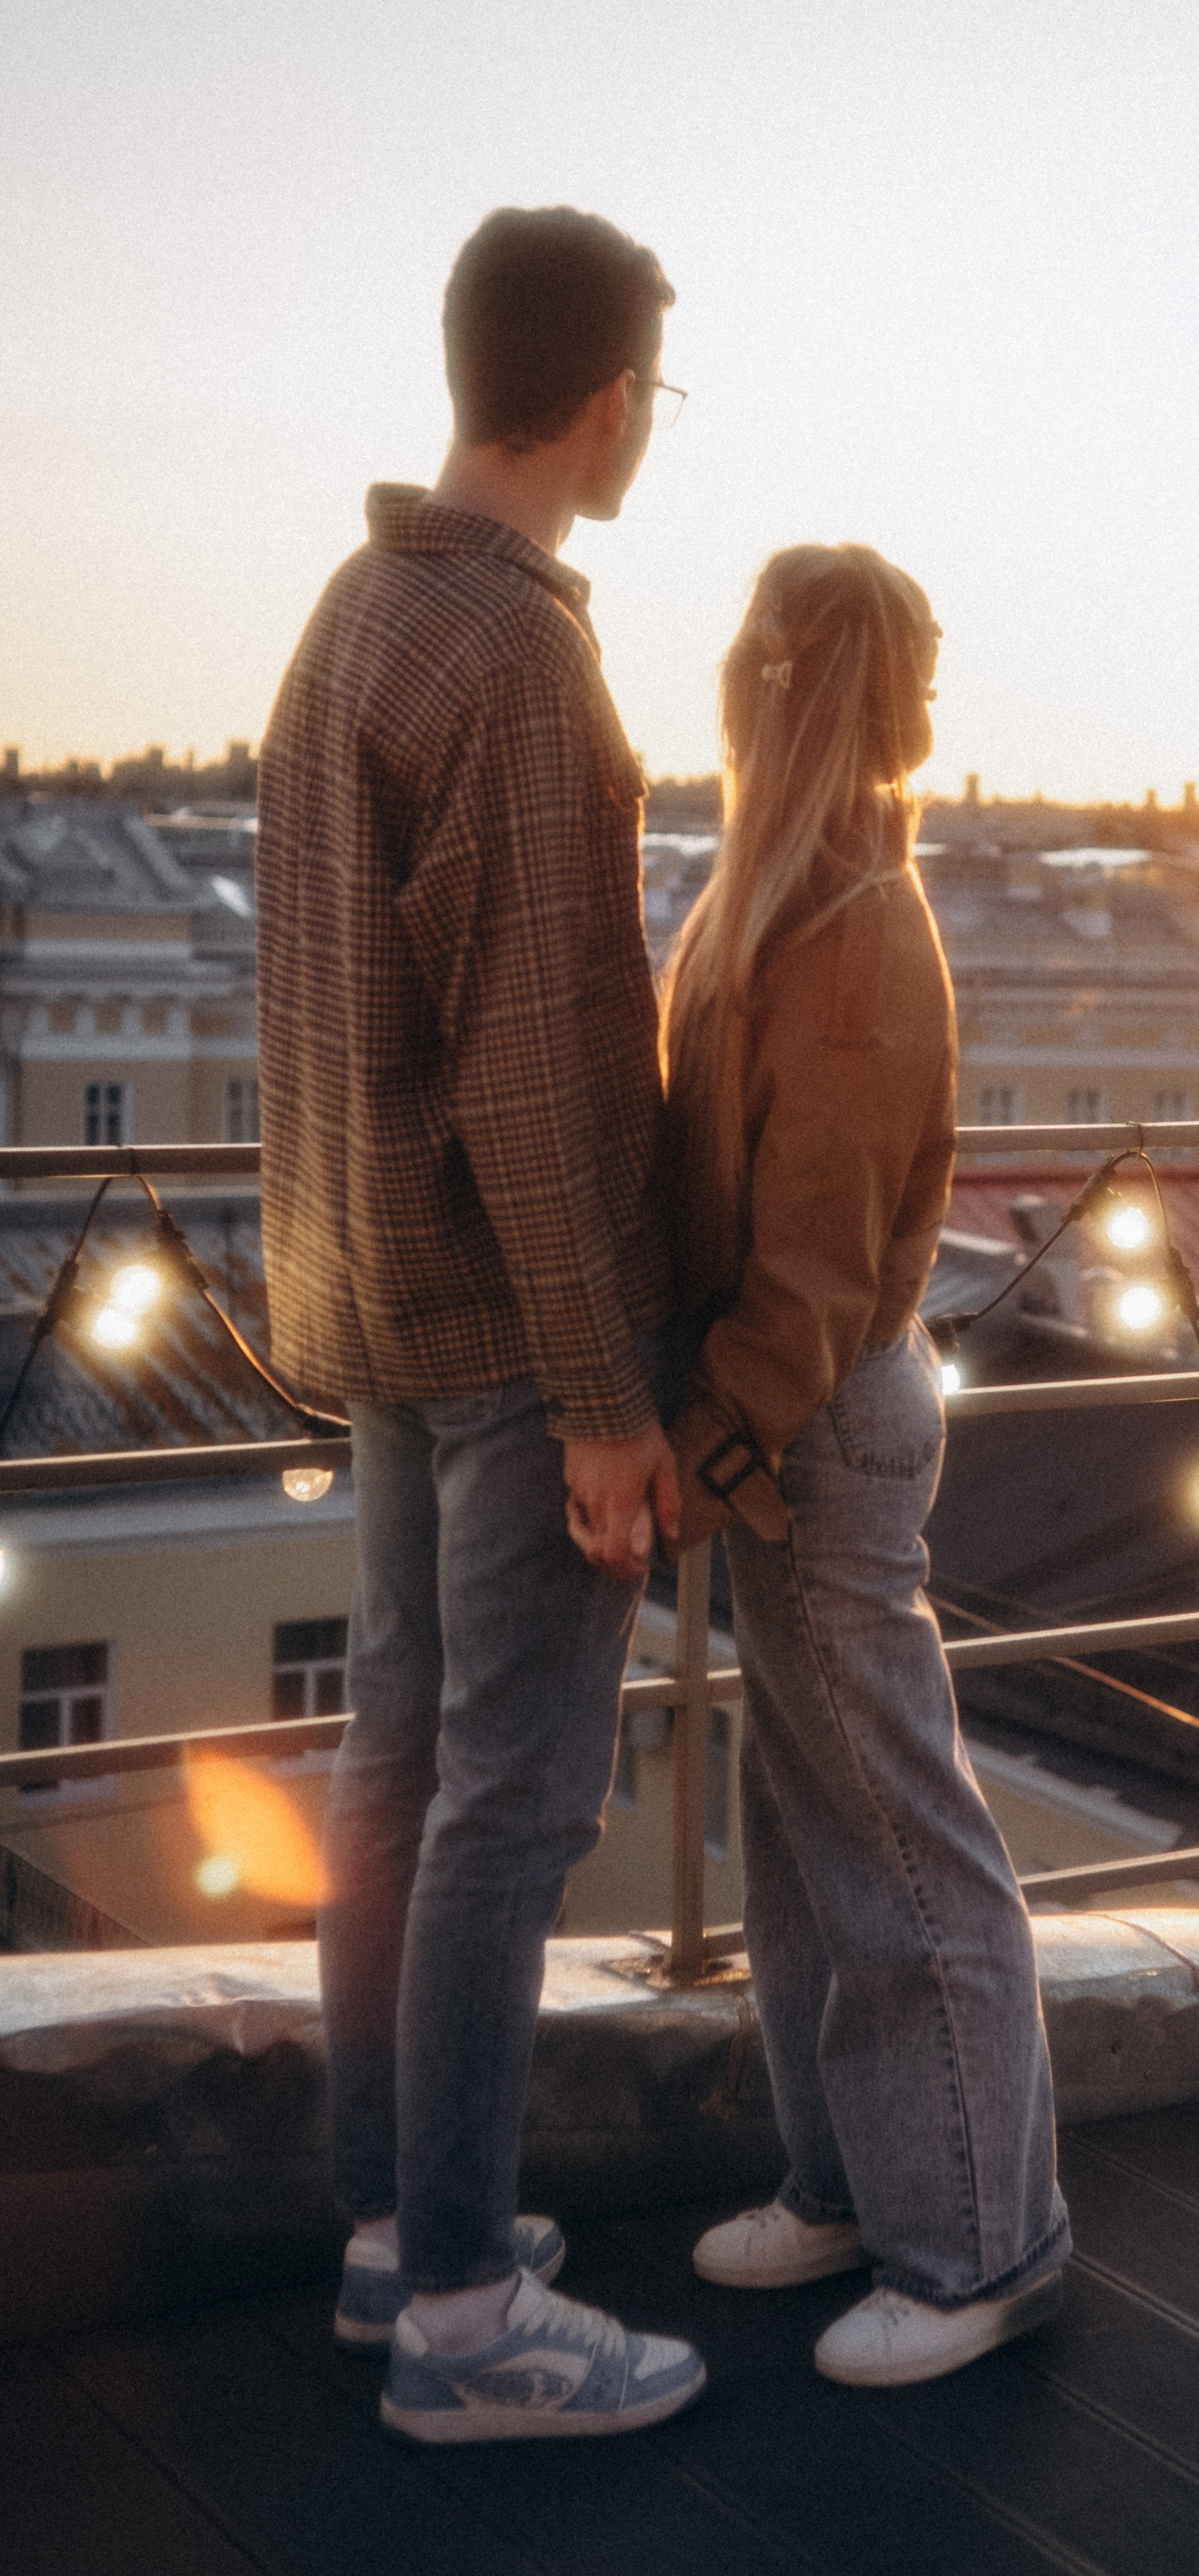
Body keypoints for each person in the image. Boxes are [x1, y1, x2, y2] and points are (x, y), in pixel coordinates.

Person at [255, 205, 705, 2443]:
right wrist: (611, 1398)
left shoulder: (352, 616)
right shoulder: (521, 660)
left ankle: (386, 2229)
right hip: (517, 1334)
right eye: (660, 396)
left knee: (398, 1772)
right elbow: (537, 1067)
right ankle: (459, 2320)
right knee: (506, 1809)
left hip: (377, 1306)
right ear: (607, 398)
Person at [660, 544, 1070, 2387]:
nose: (740, 673)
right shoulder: (781, 895)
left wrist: (702, 1440)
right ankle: (850, 2190)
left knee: (902, 1849)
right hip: (790, 1427)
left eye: (763, 655)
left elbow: (817, 1261)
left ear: (791, 687)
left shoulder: (847, 932)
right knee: (813, 1849)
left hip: (814, 1428)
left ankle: (985, 2245)